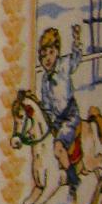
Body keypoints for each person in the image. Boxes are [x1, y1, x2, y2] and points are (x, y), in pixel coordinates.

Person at [35, 24, 83, 192]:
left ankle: (72, 177)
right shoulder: (44, 80)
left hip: (70, 115)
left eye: (51, 52)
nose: (47, 58)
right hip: (56, 120)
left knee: (58, 147)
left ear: (57, 52)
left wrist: (76, 40)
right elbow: (47, 105)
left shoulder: (64, 65)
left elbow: (76, 59)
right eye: (43, 55)